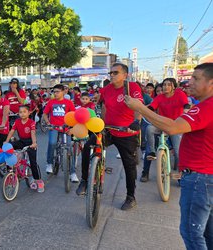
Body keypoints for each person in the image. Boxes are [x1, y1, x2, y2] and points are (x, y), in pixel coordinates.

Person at [124, 63, 213, 250]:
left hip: (199, 178)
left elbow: (173, 126)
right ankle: (150, 154)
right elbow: (154, 106)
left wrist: (139, 108)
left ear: (211, 83)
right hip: (205, 176)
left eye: (196, 78)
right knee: (207, 232)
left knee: (191, 232)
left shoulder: (205, 107)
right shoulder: (198, 104)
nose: (190, 82)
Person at [76, 63, 143, 211]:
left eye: (115, 72)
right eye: (110, 73)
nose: (111, 75)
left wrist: (136, 121)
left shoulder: (132, 87)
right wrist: (102, 125)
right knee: (88, 146)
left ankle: (131, 197)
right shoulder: (106, 90)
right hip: (110, 130)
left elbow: (138, 106)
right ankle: (85, 180)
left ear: (125, 75)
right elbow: (104, 106)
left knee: (129, 165)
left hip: (127, 132)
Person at [142, 78, 189, 181]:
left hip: (175, 126)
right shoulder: (160, 97)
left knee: (177, 151)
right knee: (149, 129)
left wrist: (186, 109)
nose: (165, 87)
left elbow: (186, 104)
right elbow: (152, 108)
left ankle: (181, 174)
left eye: (168, 84)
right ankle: (151, 155)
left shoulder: (180, 94)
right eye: (164, 84)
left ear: (174, 87)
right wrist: (143, 110)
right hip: (162, 124)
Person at [4, 105, 44, 192]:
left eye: (24, 112)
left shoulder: (31, 122)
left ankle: (38, 181)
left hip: (30, 143)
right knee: (9, 148)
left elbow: (33, 133)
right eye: (20, 112)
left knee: (33, 163)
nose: (22, 114)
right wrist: (6, 141)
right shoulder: (17, 122)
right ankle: (11, 171)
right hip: (21, 141)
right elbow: (11, 131)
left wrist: (34, 143)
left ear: (29, 113)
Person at [42, 84, 77, 181]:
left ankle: (72, 173)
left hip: (66, 128)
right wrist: (48, 123)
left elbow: (73, 115)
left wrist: (72, 127)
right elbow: (45, 114)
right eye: (54, 92)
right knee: (52, 143)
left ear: (63, 92)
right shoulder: (51, 102)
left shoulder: (68, 102)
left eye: (57, 91)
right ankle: (49, 163)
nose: (55, 93)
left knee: (69, 148)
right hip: (54, 127)